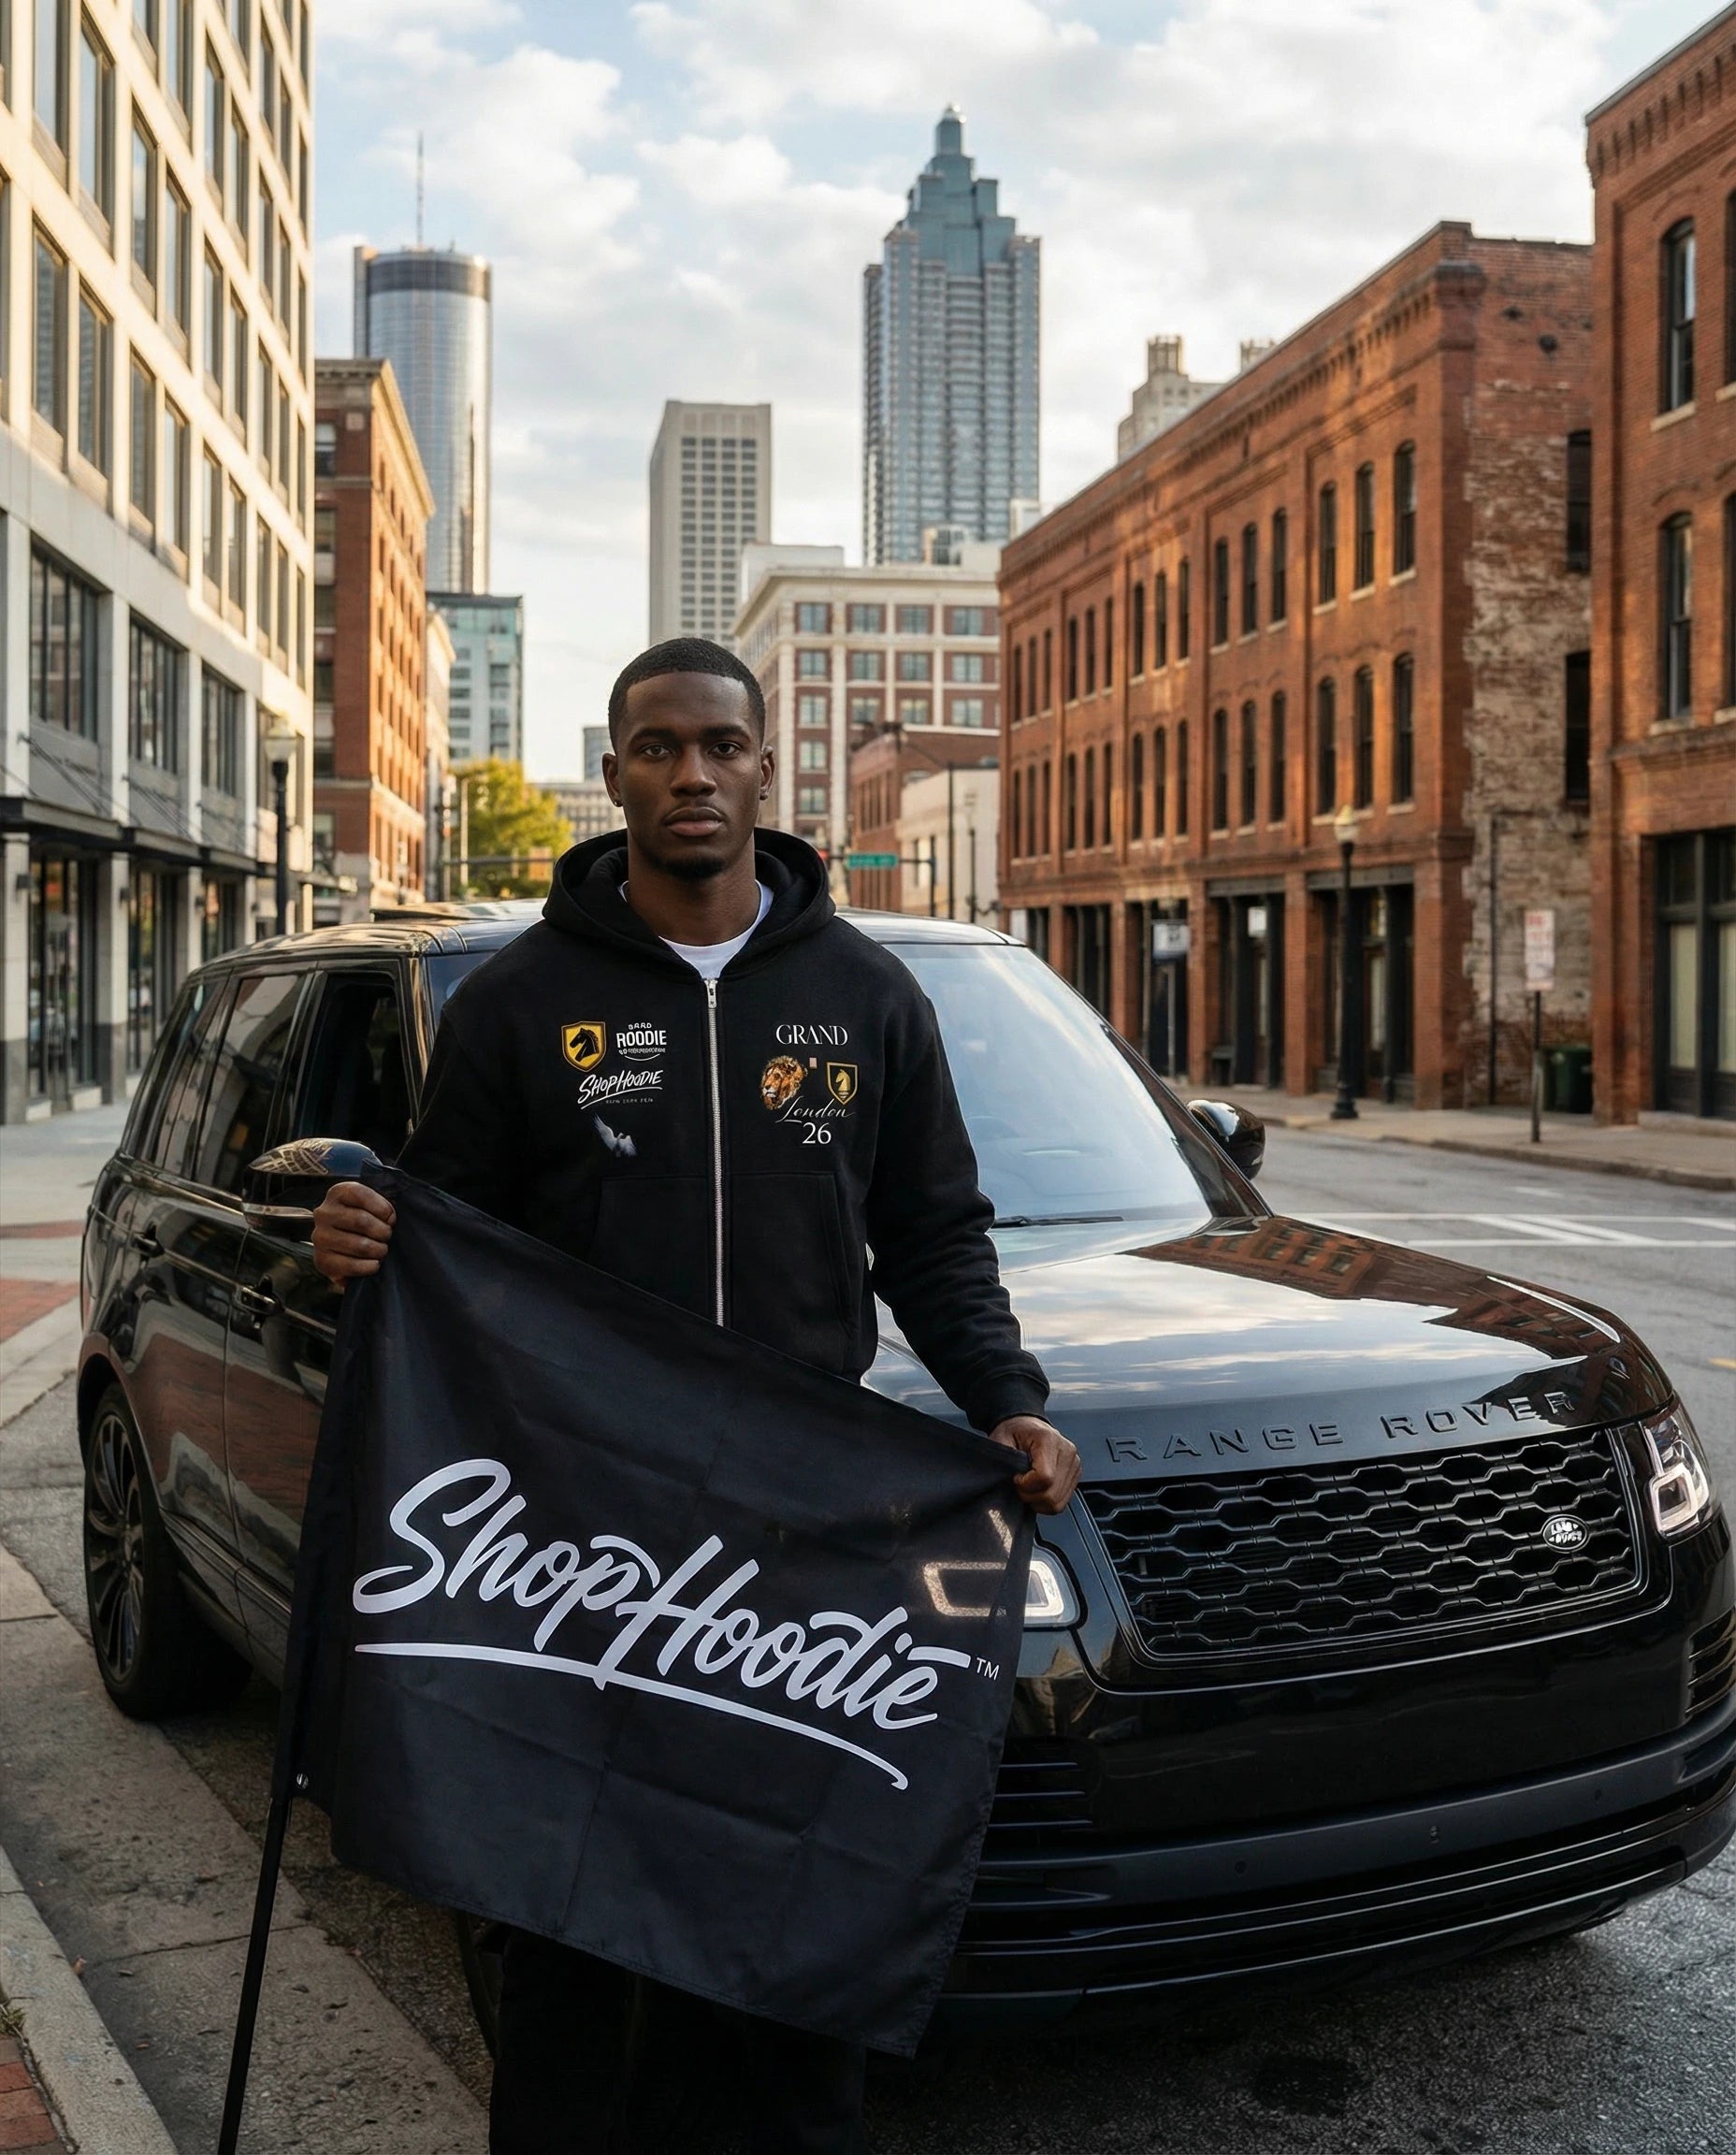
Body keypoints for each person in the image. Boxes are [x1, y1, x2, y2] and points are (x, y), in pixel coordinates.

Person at [311, 636, 1079, 2154]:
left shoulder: (864, 995)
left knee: (795, 1905)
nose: (692, 775)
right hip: (584, 1539)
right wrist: (366, 1236)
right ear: (614, 776)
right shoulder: (523, 1002)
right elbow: (443, 1232)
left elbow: (932, 1234)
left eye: (720, 747)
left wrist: (1006, 1395)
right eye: (658, 748)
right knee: (571, 1916)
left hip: (799, 1540)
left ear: (763, 768)